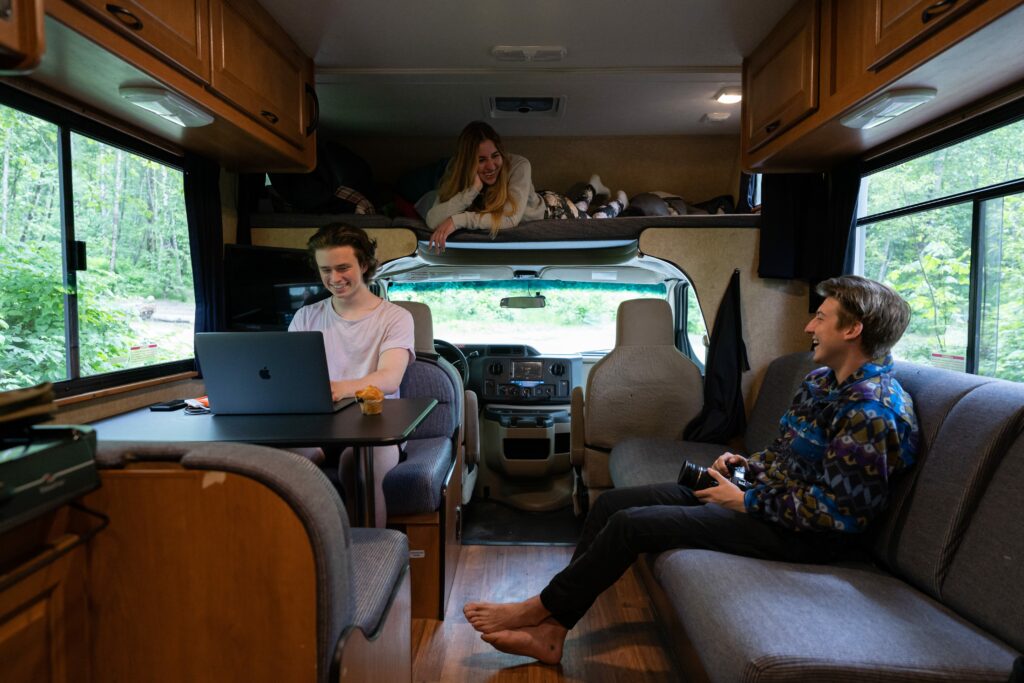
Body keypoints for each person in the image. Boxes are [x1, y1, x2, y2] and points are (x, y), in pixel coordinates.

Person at [463, 275, 920, 664]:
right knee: (614, 504)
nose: (808, 326)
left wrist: (745, 500)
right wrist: (746, 465)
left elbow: (840, 514)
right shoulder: (820, 381)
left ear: (853, 329)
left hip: (805, 536)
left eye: (821, 317)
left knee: (630, 526)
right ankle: (554, 630)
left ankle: (540, 611)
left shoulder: (872, 412)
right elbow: (785, 456)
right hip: (768, 500)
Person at [289, 223, 415, 527]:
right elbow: (290, 376)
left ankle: (369, 561)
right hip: (317, 428)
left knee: (357, 466)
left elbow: (388, 378)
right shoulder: (306, 317)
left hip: (375, 428)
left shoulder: (395, 318)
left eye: (343, 267)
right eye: (326, 270)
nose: (334, 278)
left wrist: (337, 388)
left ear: (365, 264)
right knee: (282, 463)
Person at [426, 121, 628, 251]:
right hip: (530, 200)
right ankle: (593, 186)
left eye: (495, 156)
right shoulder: (455, 168)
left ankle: (620, 202)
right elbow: (432, 219)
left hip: (552, 209)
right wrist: (471, 191)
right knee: (582, 207)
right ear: (467, 161)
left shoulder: (518, 165)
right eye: (480, 160)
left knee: (595, 220)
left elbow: (511, 218)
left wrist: (458, 220)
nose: (490, 166)